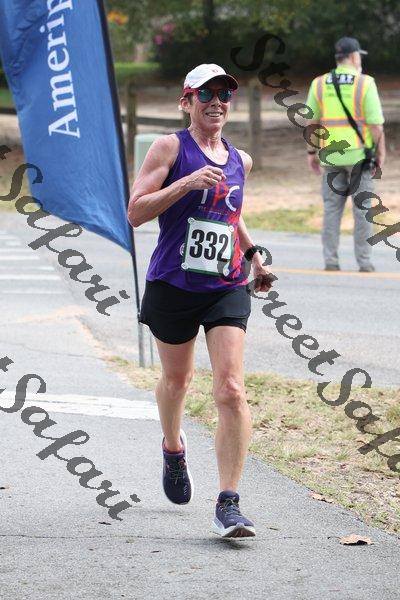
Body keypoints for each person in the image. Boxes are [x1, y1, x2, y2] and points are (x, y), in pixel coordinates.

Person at [127, 63, 274, 538]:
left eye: (224, 95)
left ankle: (229, 503)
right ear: (186, 101)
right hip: (173, 284)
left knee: (231, 388)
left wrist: (253, 256)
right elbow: (135, 212)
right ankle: (173, 447)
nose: (216, 102)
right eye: (205, 94)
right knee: (177, 380)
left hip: (225, 285)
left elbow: (232, 214)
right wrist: (185, 183)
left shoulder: (240, 160)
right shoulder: (169, 148)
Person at [306, 37, 386, 272]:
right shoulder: (365, 83)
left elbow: (312, 122)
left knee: (331, 209)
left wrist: (311, 152)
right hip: (360, 157)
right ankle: (364, 262)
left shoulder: (319, 84)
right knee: (363, 210)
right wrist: (380, 153)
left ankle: (331, 261)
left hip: (330, 157)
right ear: (353, 57)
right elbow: (376, 125)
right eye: (359, 56)